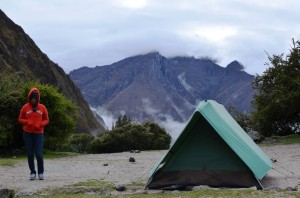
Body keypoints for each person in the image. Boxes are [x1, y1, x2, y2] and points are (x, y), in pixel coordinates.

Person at [18, 87, 49, 180]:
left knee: (39, 154)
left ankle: (40, 173)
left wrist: (41, 124)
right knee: (30, 154)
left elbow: (46, 119)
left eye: (35, 99)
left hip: (39, 134)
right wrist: (27, 122)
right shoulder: (25, 107)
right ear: (29, 98)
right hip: (27, 134)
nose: (33, 101)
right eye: (31, 99)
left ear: (38, 98)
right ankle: (32, 172)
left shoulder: (42, 107)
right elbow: (20, 119)